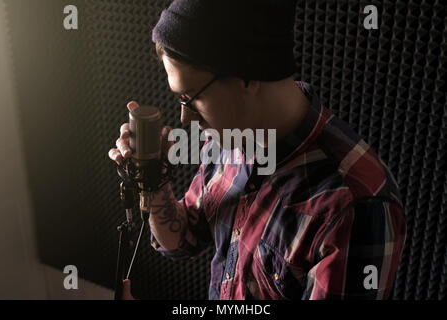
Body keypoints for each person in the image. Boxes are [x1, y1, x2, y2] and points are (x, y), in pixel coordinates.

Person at [108, 0, 406, 300]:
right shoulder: (230, 136)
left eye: (190, 98)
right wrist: (154, 178)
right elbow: (181, 240)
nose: (185, 118)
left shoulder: (356, 206)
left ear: (247, 76)